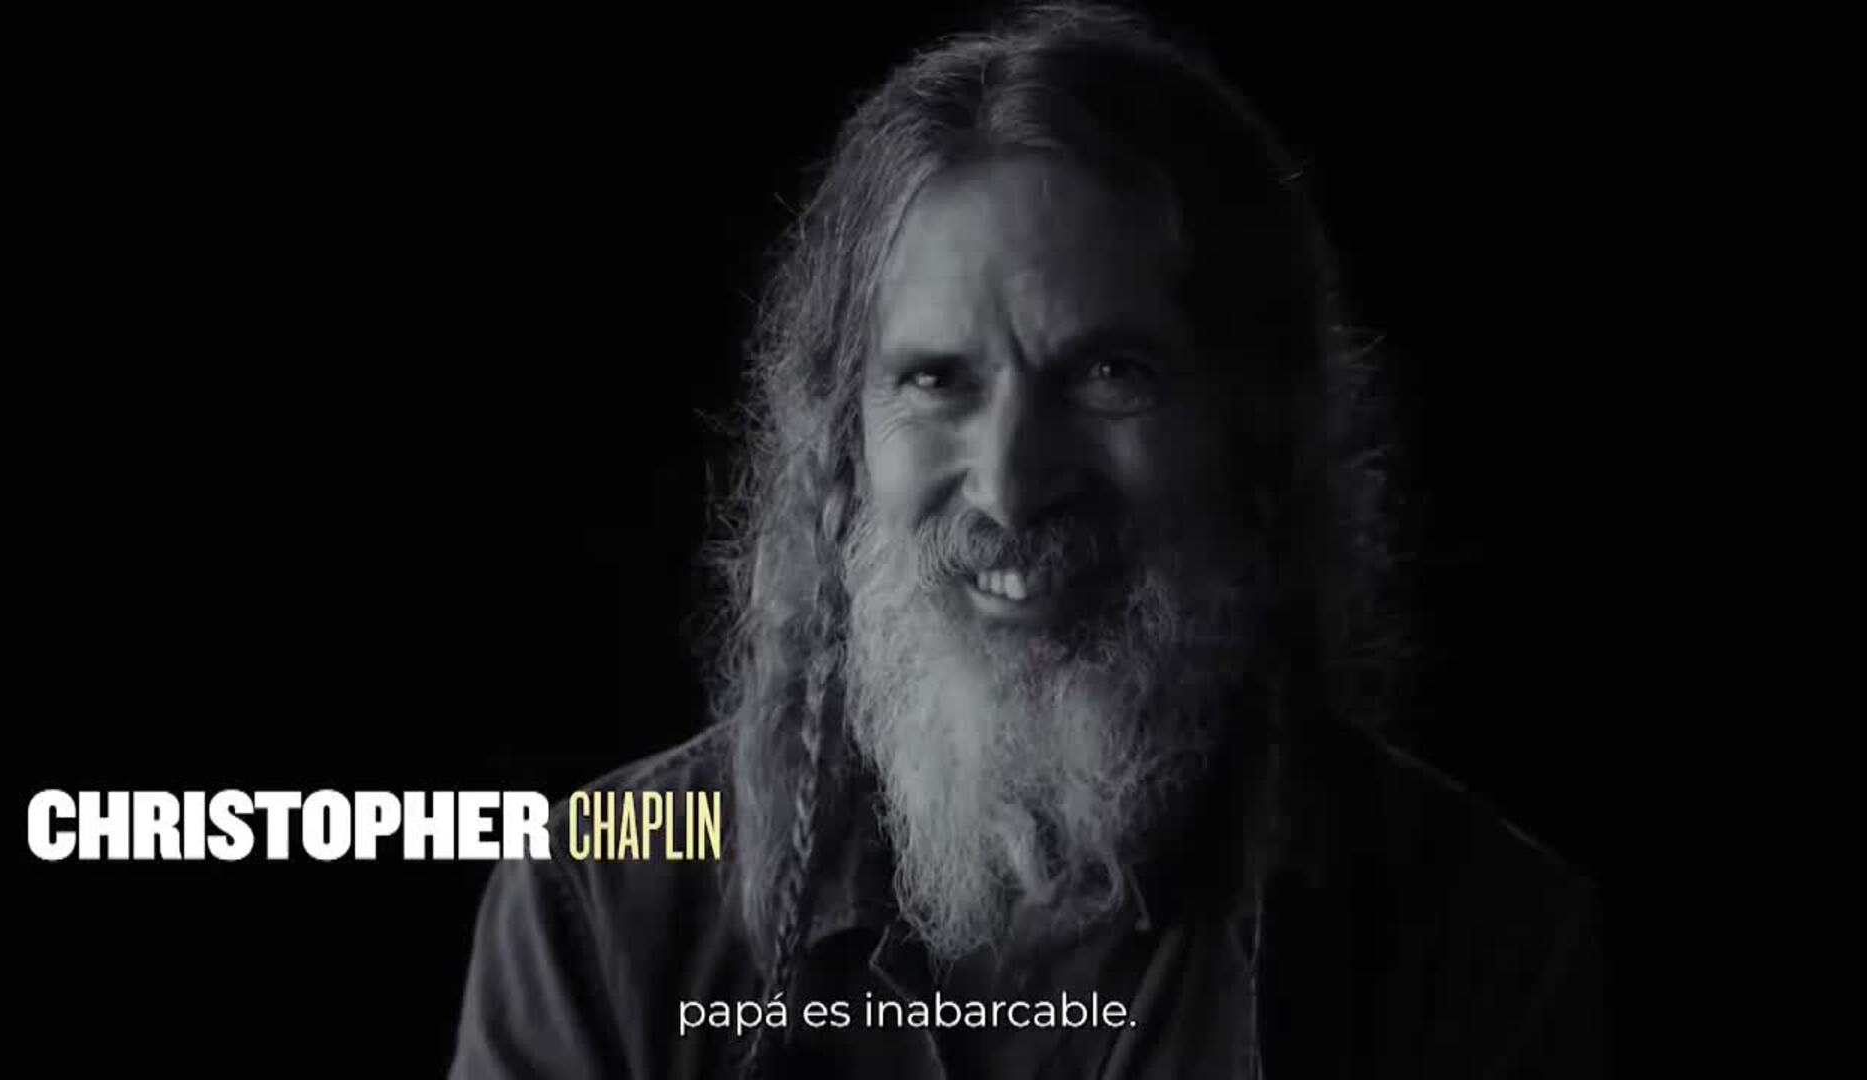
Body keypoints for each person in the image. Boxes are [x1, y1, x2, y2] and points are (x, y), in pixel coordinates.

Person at [449, 3, 1602, 1077]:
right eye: (936, 380)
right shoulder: (596, 909)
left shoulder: (1485, 943)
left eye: (1107, 373)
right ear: (843, 444)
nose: (1008, 486)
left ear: (1253, 424)